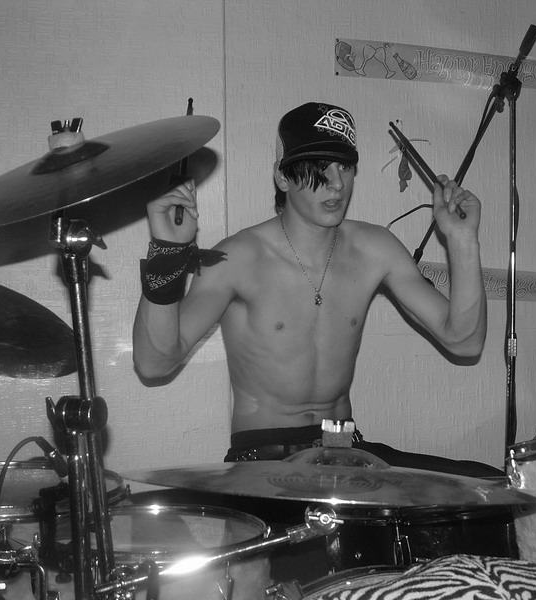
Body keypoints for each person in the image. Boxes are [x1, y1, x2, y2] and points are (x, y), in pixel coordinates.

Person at [132, 102, 513, 594]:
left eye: (345, 167)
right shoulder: (238, 257)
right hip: (263, 463)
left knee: (487, 493)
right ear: (282, 176)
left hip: (347, 456)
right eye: (318, 169)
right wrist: (166, 252)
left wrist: (462, 241)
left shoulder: (375, 248)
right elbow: (154, 361)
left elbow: (464, 339)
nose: (336, 184)